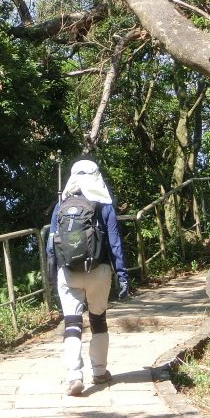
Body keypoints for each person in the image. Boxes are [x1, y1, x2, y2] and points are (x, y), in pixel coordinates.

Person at [46, 158, 129, 397]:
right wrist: (122, 275)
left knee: (72, 323)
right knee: (98, 320)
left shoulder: (62, 204)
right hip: (99, 271)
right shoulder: (103, 205)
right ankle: (100, 371)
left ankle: (74, 376)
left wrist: (54, 272)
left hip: (68, 272)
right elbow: (115, 244)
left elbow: (51, 242)